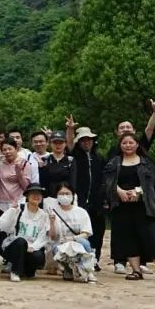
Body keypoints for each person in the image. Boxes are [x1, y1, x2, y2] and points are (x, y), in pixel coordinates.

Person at [104, 133, 155, 283]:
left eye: (131, 142)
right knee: (128, 238)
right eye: (124, 143)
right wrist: (119, 191)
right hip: (122, 207)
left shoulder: (146, 162)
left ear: (137, 145)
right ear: (120, 145)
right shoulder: (114, 163)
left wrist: (138, 192)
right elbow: (106, 181)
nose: (128, 145)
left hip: (144, 207)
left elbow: (154, 184)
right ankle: (136, 270)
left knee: (152, 237)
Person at [65, 119, 109, 271]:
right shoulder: (74, 156)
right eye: (83, 140)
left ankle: (94, 259)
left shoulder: (99, 158)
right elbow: (69, 143)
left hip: (97, 201)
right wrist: (70, 129)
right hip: (80, 200)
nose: (86, 142)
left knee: (98, 231)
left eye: (89, 139)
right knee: (81, 231)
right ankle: (79, 258)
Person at [0, 184, 50, 282]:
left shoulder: (44, 215)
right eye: (33, 193)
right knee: (21, 241)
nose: (36, 196)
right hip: (15, 245)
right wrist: (12, 210)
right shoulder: (19, 209)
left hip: (31, 249)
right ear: (27, 196)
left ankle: (26, 269)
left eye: (39, 194)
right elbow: (3, 226)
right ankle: (15, 271)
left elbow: (44, 236)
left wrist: (34, 246)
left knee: (38, 257)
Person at [47, 182, 97, 283]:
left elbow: (86, 233)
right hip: (61, 242)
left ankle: (88, 271)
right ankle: (67, 269)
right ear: (56, 196)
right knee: (55, 248)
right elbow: (52, 237)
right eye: (61, 194)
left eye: (67, 193)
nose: (64, 196)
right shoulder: (52, 212)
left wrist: (73, 238)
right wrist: (52, 222)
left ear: (73, 195)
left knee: (85, 243)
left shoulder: (81, 212)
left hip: (78, 240)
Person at [0, 138, 33, 215]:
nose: (7, 152)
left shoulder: (24, 163)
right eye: (4, 150)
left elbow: (27, 187)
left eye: (10, 149)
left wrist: (19, 174)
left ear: (16, 149)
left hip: (19, 202)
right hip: (2, 203)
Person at [38, 131, 76, 197]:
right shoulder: (45, 160)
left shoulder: (70, 160)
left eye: (61, 142)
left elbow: (73, 182)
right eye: (55, 142)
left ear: (65, 144)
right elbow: (42, 182)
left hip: (66, 196)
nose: (58, 145)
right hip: (48, 198)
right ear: (50, 143)